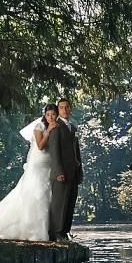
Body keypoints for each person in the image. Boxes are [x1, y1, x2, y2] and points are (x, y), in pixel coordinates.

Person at [0, 104, 60, 241]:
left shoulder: (57, 126)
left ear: (57, 115)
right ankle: (33, 231)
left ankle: (48, 229)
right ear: (45, 115)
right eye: (48, 114)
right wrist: (49, 131)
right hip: (37, 163)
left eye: (53, 114)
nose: (51, 117)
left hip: (49, 164)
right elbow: (40, 146)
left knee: (47, 195)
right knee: (36, 193)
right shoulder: (39, 127)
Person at [48, 97, 83, 241]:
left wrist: (79, 172)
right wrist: (58, 172)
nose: (64, 110)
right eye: (61, 107)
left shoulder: (72, 128)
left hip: (73, 172)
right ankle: (56, 233)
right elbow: (54, 152)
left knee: (69, 203)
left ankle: (64, 232)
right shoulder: (56, 127)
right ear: (58, 110)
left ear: (70, 109)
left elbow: (76, 152)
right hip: (61, 173)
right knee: (59, 204)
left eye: (66, 107)